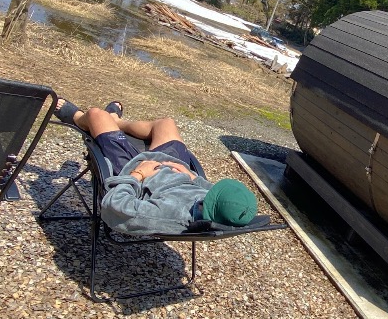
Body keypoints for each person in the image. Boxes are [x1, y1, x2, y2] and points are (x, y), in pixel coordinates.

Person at [54, 99, 258, 235]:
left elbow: (115, 207)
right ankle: (117, 121)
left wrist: (137, 175)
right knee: (166, 123)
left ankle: (77, 118)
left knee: (96, 114)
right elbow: (212, 192)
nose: (211, 192)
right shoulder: (216, 209)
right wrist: (193, 177)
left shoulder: (167, 214)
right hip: (172, 167)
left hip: (133, 168)